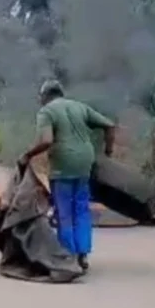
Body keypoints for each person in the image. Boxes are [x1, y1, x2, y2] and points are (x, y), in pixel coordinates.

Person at [19, 80, 115, 272]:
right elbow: (109, 125)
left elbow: (46, 141)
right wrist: (108, 151)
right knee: (81, 209)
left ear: (46, 96)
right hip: (84, 164)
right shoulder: (80, 107)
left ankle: (68, 256)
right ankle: (82, 254)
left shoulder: (46, 112)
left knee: (64, 212)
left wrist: (27, 155)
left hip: (63, 165)